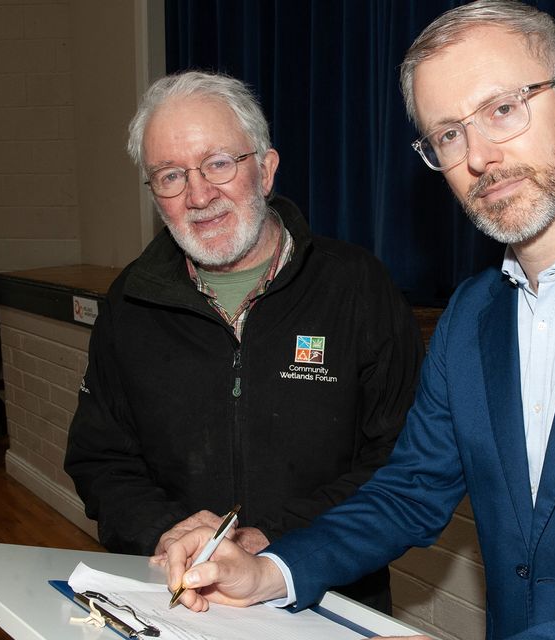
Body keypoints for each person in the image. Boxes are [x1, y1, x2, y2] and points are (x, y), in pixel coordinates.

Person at [164, 2, 555, 638]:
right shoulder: (472, 316)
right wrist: (272, 571)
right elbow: (410, 492)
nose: (479, 156)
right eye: (448, 133)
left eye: (502, 110)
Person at [63, 70, 424, 613]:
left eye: (219, 163)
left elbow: (401, 460)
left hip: (330, 599)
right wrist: (169, 531)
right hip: (182, 603)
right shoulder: (130, 304)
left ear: (266, 169)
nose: (199, 194)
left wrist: (267, 539)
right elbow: (100, 459)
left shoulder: (357, 289)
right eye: (170, 175)